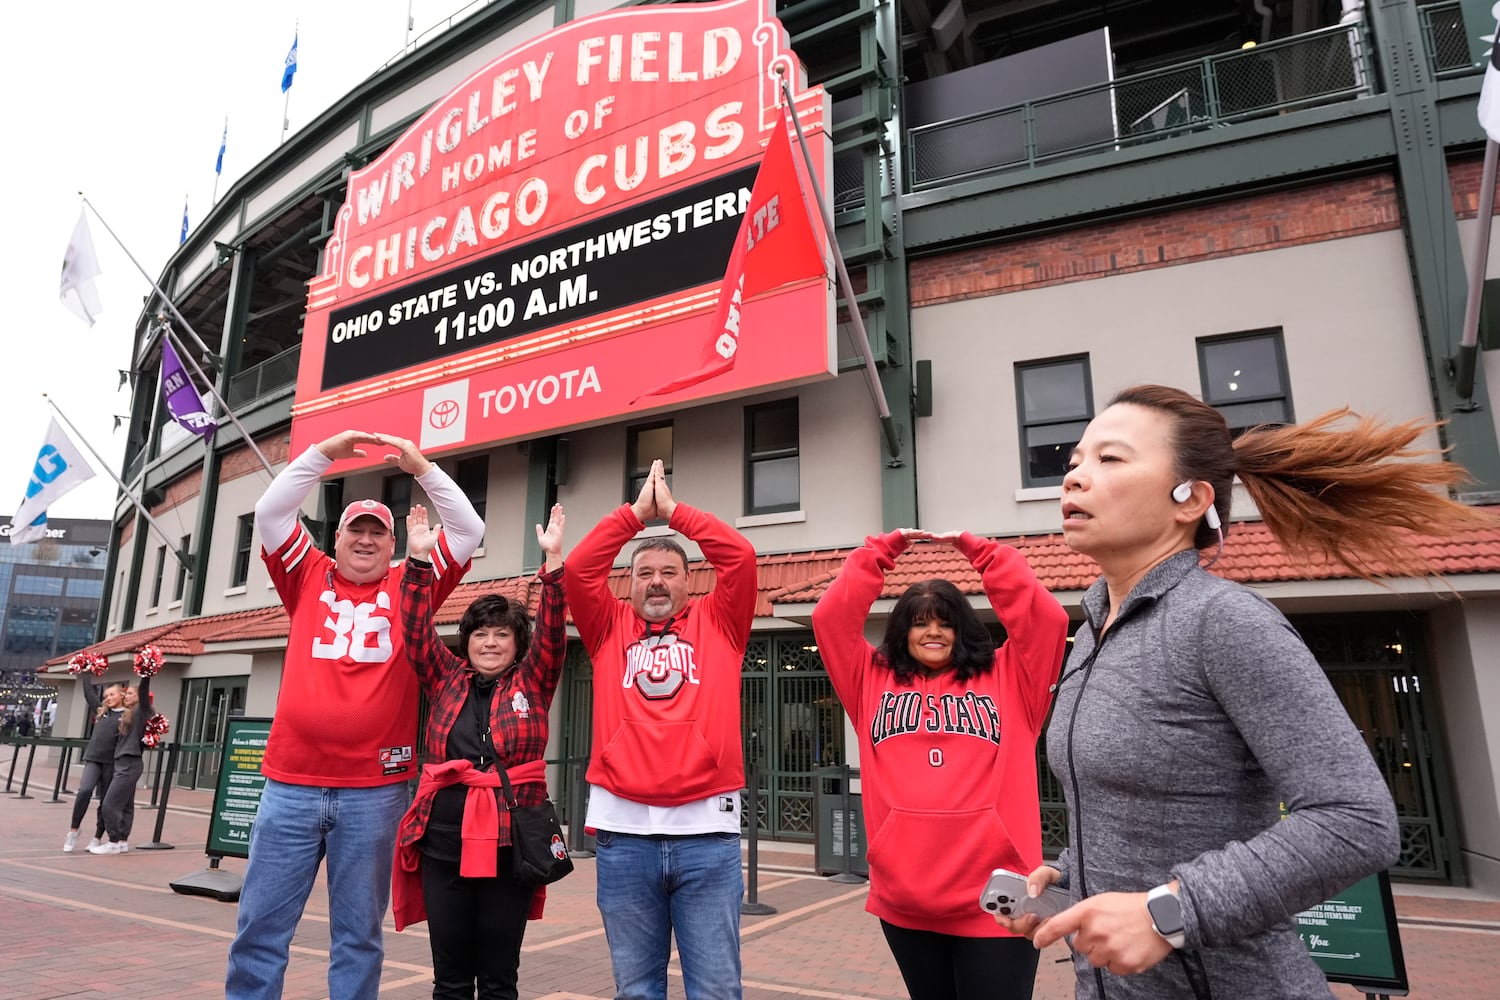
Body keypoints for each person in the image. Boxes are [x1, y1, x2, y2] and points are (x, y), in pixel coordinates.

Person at [994, 384, 1490, 998]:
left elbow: (1358, 821)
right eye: (1074, 462)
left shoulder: (1224, 621)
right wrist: (1070, 873)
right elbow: (1154, 814)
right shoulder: (1093, 634)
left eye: (1110, 459)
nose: (1073, 477)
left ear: (1190, 499)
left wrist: (1167, 912)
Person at [225, 431, 483, 1000]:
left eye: (378, 532)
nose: (366, 540)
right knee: (260, 929)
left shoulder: (412, 585)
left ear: (392, 544)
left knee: (358, 935)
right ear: (335, 539)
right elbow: (271, 511)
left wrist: (423, 469)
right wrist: (322, 454)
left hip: (375, 790)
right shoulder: (306, 574)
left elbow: (468, 530)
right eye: (355, 530)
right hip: (290, 783)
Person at [811, 528, 1068, 1000]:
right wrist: (880, 552)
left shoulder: (1012, 678)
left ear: (962, 629)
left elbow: (1046, 621)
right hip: (907, 900)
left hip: (999, 903)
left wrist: (983, 554)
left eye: (945, 623)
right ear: (902, 632)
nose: (932, 632)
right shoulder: (870, 680)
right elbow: (830, 618)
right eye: (919, 623)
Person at [566, 458, 757, 1000]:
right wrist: (633, 517)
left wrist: (675, 515)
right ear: (626, 584)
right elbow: (580, 568)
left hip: (707, 837)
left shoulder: (720, 621)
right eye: (642, 572)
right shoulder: (606, 626)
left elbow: (739, 557)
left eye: (668, 572)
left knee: (716, 989)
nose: (655, 581)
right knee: (636, 990)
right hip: (625, 838)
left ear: (690, 582)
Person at [392, 502, 568, 1000]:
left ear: (517, 643)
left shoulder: (534, 682)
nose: (490, 643)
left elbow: (553, 635)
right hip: (441, 846)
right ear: (466, 641)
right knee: (449, 979)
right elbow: (413, 631)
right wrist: (419, 564)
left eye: (502, 634)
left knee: (497, 979)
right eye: (480, 634)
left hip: (510, 847)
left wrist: (554, 565)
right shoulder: (444, 677)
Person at [89, 677, 154, 854]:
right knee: (125, 804)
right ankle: (123, 840)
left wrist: (145, 674)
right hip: (122, 761)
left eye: (131, 693)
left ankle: (113, 841)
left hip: (130, 761)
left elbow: (143, 690)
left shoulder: (142, 710)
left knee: (109, 803)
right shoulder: (129, 714)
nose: (127, 696)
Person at [63, 681, 125, 853]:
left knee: (106, 801)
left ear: (122, 695)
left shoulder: (127, 716)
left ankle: (97, 837)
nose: (108, 698)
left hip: (112, 762)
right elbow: (89, 694)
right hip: (93, 759)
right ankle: (73, 831)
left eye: (112, 694)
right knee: (84, 790)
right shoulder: (102, 712)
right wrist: (86, 671)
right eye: (106, 696)